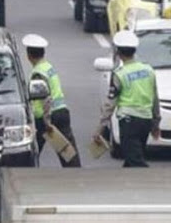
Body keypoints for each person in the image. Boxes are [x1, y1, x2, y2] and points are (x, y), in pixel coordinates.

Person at [94, 30, 161, 167]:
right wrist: (155, 124)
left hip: (129, 122)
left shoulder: (119, 74)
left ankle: (156, 183)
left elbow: (110, 104)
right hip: (145, 121)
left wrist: (100, 128)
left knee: (136, 161)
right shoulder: (148, 70)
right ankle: (129, 185)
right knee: (132, 158)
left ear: (118, 52)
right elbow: (155, 99)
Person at [23, 34, 81, 167]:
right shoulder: (48, 67)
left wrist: (45, 121)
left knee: (31, 151)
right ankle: (77, 176)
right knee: (68, 153)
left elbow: (43, 98)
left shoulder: (37, 73)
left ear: (28, 55)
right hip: (62, 112)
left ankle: (24, 174)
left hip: (46, 117)